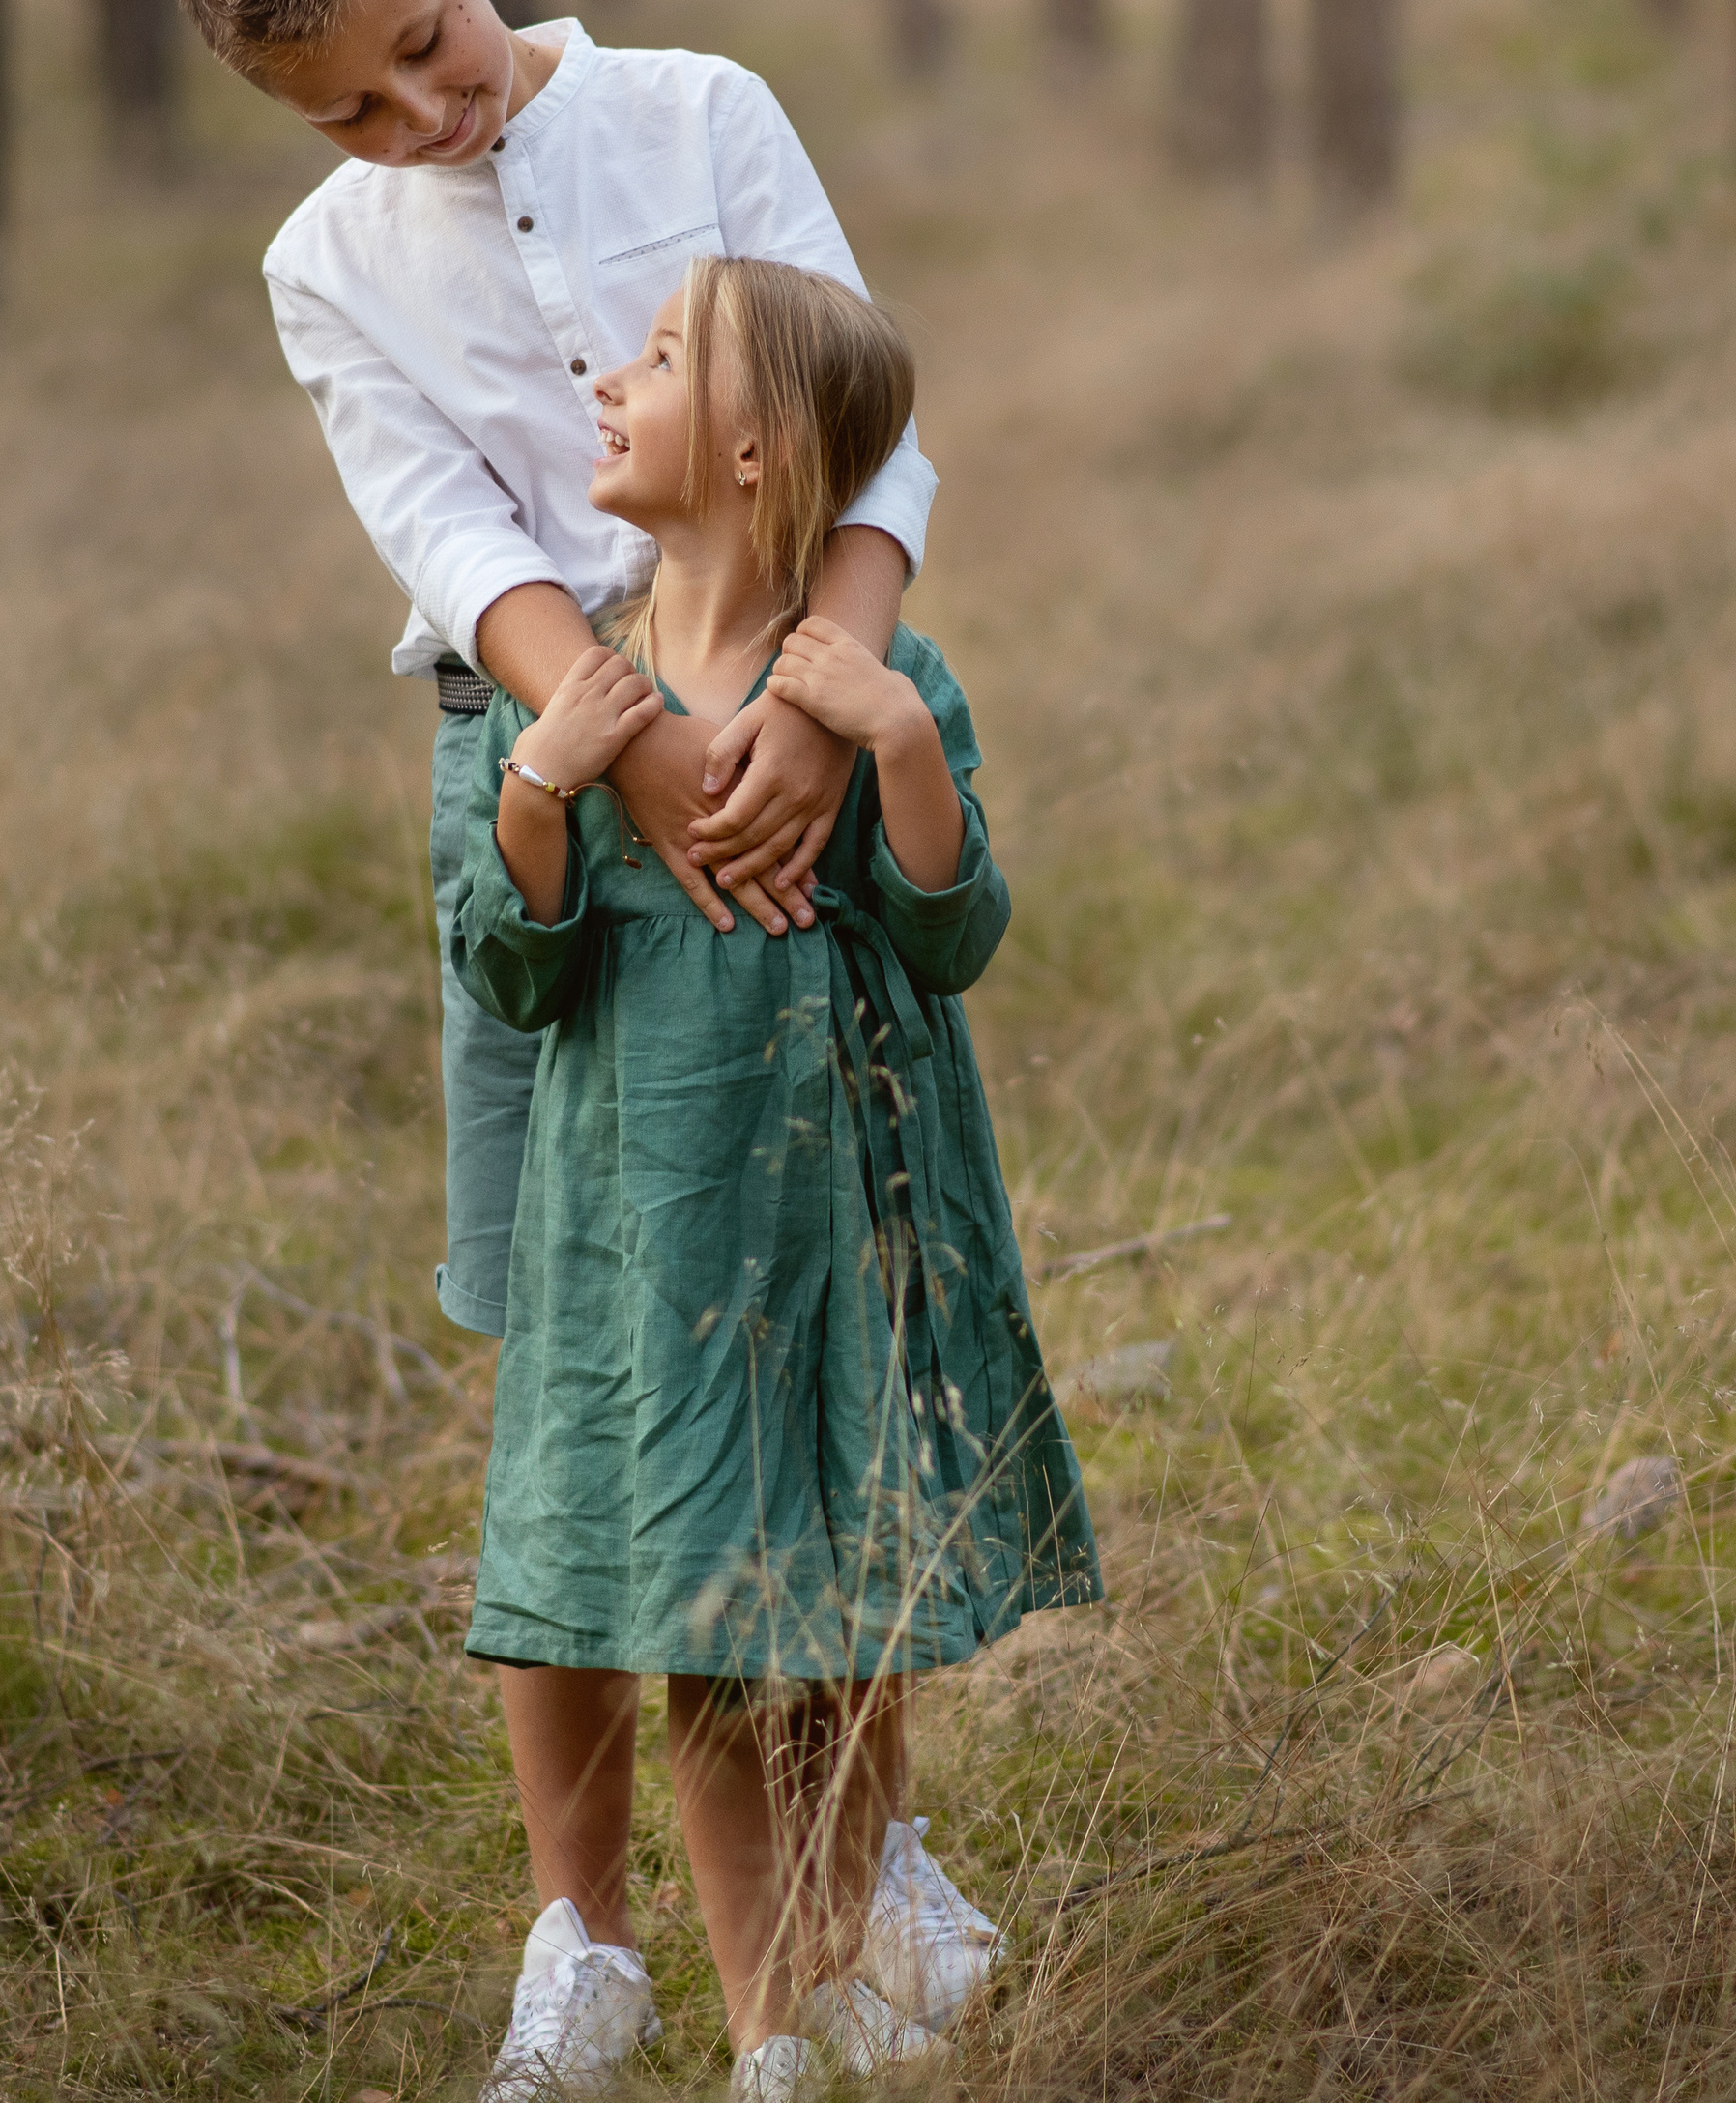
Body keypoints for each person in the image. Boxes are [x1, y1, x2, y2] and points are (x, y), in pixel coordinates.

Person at [167, 0, 1001, 2060]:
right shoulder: (327, 265)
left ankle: (863, 1858)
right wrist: (618, 743)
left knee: (801, 1320)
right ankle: (587, 1938)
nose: (414, 119)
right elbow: (443, 529)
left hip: (793, 724)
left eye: (424, 51)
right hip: (542, 776)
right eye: (347, 112)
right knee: (576, 1346)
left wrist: (817, 707)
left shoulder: (700, 113)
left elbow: (869, 423)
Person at [452, 257, 1101, 2099]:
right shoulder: (575, 692)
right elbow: (515, 973)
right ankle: (769, 2044)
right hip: (650, 1237)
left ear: (752, 454)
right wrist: (539, 791)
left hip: (836, 1231)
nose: (609, 379)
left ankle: (841, 1965)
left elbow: (951, 932)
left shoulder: (876, 687)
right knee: (705, 1645)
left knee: (832, 1625)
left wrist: (896, 742)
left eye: (659, 359)